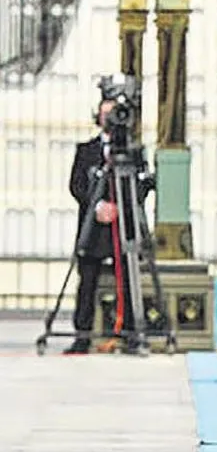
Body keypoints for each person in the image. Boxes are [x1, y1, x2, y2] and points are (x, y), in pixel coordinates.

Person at [65, 96, 126, 354]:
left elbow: (140, 186)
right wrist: (97, 205)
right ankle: (82, 334)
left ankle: (129, 331)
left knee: (127, 282)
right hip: (93, 227)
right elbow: (76, 186)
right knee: (87, 283)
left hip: (119, 227)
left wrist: (119, 208)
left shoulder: (129, 152)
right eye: (104, 114)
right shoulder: (86, 150)